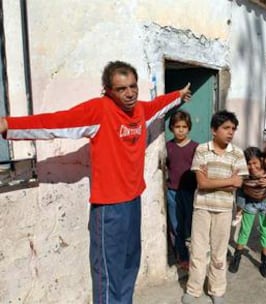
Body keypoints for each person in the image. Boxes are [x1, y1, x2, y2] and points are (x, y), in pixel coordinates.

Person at [0, 61, 192, 304]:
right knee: (108, 275)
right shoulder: (99, 111)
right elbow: (57, 122)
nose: (130, 93)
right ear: (107, 90)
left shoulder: (141, 111)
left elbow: (158, 105)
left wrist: (178, 96)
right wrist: (9, 125)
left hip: (134, 202)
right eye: (121, 89)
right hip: (109, 209)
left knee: (129, 265)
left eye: (133, 86)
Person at [181, 110, 248, 304]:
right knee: (198, 250)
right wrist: (228, 181)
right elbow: (202, 184)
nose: (230, 132)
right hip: (202, 207)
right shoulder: (202, 150)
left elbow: (239, 184)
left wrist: (214, 180)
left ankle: (217, 289)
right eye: (226, 128)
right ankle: (193, 289)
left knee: (219, 251)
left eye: (233, 129)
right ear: (213, 130)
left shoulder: (237, 153)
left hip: (224, 209)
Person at [228, 147, 266, 278]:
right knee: (244, 231)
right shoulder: (244, 175)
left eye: (255, 162)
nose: (252, 166)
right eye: (249, 163)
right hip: (250, 203)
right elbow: (240, 191)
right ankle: (237, 258)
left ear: (261, 160)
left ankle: (265, 263)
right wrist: (239, 209)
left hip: (265, 204)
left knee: (265, 232)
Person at [166, 110, 198, 270]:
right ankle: (182, 256)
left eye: (184, 126)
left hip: (190, 192)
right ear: (171, 127)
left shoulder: (196, 148)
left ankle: (195, 256)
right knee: (175, 224)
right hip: (172, 191)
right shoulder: (167, 147)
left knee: (191, 225)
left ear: (189, 128)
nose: (180, 130)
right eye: (177, 126)